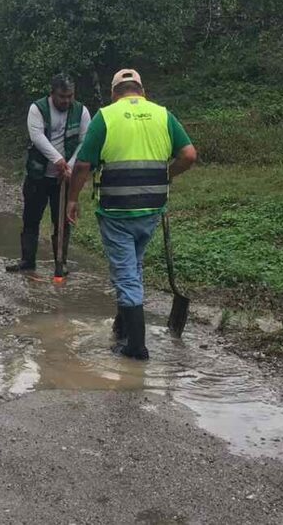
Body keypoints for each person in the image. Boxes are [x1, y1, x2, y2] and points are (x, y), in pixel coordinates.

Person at [67, 69, 197, 359]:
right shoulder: (163, 115)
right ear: (142, 90)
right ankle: (122, 326)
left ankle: (136, 347)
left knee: (126, 274)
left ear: (115, 93)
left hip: (116, 211)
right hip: (151, 208)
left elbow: (82, 165)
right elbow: (189, 155)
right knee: (133, 266)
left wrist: (72, 199)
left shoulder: (107, 116)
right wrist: (167, 175)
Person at [6, 74, 92, 274]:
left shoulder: (81, 111)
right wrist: (58, 160)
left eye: (70, 96)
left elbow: (84, 141)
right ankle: (27, 261)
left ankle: (60, 264)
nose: (66, 101)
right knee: (31, 219)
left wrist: (69, 166)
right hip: (38, 175)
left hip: (65, 177)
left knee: (61, 221)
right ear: (52, 93)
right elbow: (37, 137)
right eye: (62, 96)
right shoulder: (37, 109)